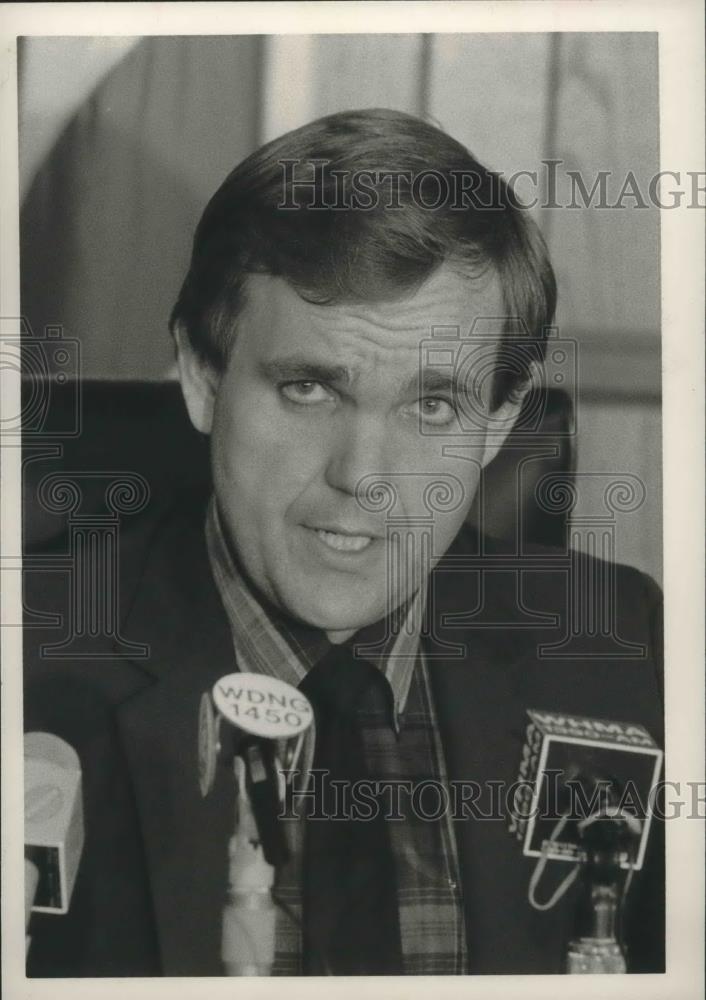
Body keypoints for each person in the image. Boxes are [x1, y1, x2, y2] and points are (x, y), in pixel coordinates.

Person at [23, 108, 664, 977]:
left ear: (498, 426)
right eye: (308, 390)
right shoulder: (30, 669)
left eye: (432, 406)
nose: (364, 475)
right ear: (204, 378)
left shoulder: (630, 658)